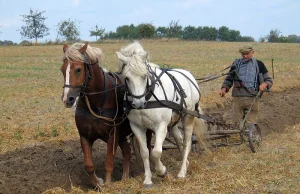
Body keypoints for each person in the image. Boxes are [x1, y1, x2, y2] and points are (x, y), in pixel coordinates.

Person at [219, 45, 273, 128]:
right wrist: (224, 88)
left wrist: (264, 84)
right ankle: (238, 138)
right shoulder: (236, 64)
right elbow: (229, 78)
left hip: (252, 98)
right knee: (236, 122)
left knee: (250, 123)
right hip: (238, 97)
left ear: (253, 52)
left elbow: (269, 80)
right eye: (243, 54)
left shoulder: (259, 64)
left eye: (247, 54)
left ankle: (249, 138)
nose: (245, 56)